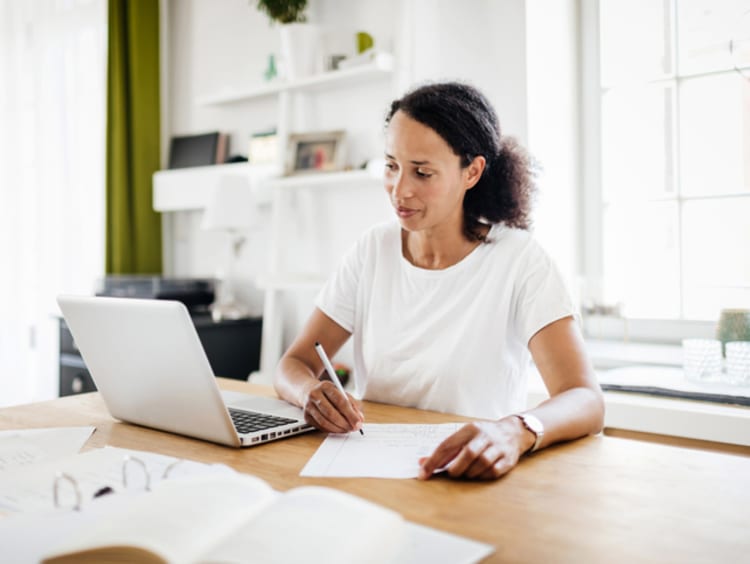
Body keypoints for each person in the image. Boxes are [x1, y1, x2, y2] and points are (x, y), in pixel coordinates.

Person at [274, 82, 604, 481]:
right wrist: (308, 393)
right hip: (374, 470)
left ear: (472, 172)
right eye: (392, 166)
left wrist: (513, 430)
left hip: (472, 475)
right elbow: (293, 364)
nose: (400, 190)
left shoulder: (519, 259)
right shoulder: (372, 251)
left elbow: (585, 399)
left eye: (422, 172)